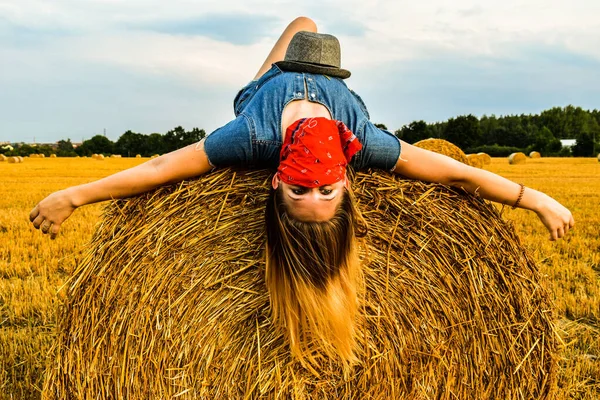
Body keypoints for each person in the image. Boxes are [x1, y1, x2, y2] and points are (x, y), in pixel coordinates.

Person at [29, 17, 574, 368]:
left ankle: (300, 55)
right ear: (347, 184)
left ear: (275, 180)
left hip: (266, 88)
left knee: (303, 25)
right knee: (310, 27)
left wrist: (76, 194)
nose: (313, 178)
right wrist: (536, 198)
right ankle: (316, 58)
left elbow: (161, 169)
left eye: (302, 187)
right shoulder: (367, 146)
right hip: (329, 75)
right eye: (322, 187)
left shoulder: (249, 137)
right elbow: (458, 174)